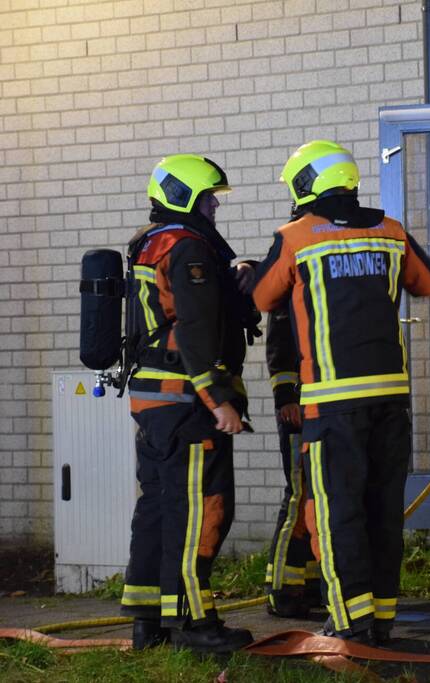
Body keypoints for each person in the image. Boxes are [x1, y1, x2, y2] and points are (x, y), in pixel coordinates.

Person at [251, 140, 430, 645]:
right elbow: (429, 283)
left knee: (336, 513)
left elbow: (259, 297)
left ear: (305, 185)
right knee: (383, 511)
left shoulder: (295, 237)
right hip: (391, 401)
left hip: (333, 404)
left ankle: (349, 621)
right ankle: (380, 619)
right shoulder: (391, 231)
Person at [119, 154, 258, 653]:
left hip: (154, 400)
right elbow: (195, 328)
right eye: (208, 196)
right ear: (186, 197)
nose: (216, 203)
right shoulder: (188, 248)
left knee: (157, 507)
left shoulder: (149, 243)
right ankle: (196, 625)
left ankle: (147, 621)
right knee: (200, 511)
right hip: (187, 401)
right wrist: (218, 398)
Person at [263, 303, 322, 617]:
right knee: (298, 495)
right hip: (296, 407)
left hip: (315, 404)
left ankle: (308, 585)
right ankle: (282, 591)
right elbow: (279, 341)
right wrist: (286, 396)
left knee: (313, 496)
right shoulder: (289, 275)